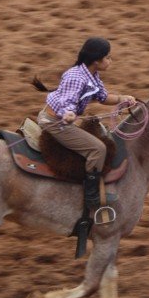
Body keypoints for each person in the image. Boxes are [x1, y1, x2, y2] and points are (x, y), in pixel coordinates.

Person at [35, 37, 135, 212]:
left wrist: (122, 99)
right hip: (55, 123)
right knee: (98, 149)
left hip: (63, 119)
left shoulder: (92, 75)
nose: (110, 60)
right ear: (96, 60)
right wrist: (68, 113)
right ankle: (91, 195)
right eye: (108, 57)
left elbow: (103, 97)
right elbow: (67, 102)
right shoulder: (76, 78)